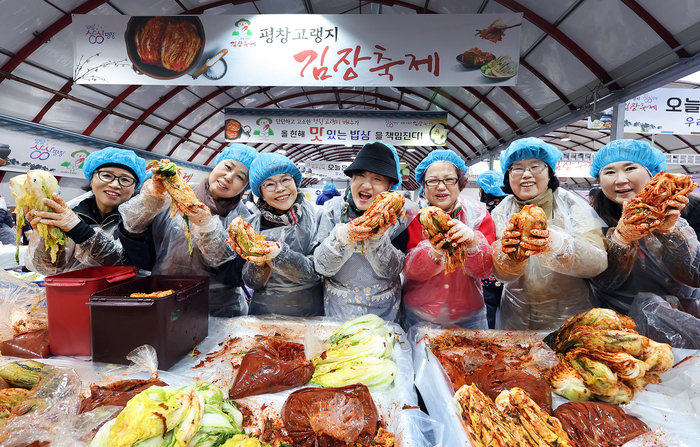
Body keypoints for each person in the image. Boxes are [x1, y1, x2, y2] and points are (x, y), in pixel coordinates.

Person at [119, 144, 258, 317]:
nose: (229, 177)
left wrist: (209, 231)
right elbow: (140, 255)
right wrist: (145, 208)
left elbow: (237, 275)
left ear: (245, 187)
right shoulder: (172, 195)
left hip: (218, 310)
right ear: (216, 164)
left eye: (240, 177)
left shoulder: (245, 220)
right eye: (227, 167)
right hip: (165, 301)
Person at [491, 137, 608, 330]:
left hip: (569, 316)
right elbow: (501, 275)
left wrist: (559, 244)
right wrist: (510, 257)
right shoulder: (500, 212)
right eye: (517, 168)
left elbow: (598, 263)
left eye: (536, 166)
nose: (526, 174)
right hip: (516, 316)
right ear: (508, 175)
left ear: (549, 172)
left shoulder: (572, 205)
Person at [588, 139, 700, 314]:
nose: (620, 180)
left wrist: (671, 234)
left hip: (682, 316)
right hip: (615, 322)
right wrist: (620, 240)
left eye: (630, 168)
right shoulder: (592, 219)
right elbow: (602, 280)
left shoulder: (690, 210)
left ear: (652, 173)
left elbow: (696, 275)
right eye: (609, 172)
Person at [314, 141, 418, 322]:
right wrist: (341, 238)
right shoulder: (333, 210)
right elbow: (321, 267)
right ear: (351, 180)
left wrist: (378, 240)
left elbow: (394, 270)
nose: (367, 185)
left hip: (383, 311)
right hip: (338, 308)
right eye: (360, 176)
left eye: (377, 179)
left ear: (389, 187)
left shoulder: (399, 218)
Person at [402, 150, 494, 329]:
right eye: (433, 180)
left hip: (468, 316)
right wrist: (434, 253)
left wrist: (473, 244)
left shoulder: (478, 214)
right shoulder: (413, 216)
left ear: (460, 183)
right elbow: (410, 270)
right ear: (424, 186)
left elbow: (486, 270)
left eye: (449, 179)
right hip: (420, 316)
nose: (441, 187)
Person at [24, 147, 147, 275]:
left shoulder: (141, 221)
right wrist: (48, 236)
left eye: (125, 179)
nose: (115, 185)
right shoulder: (69, 214)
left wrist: (77, 229)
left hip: (124, 292)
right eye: (106, 175)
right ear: (91, 180)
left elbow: (127, 263)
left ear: (134, 188)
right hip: (73, 291)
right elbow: (47, 269)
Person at [241, 153, 333, 316]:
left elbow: (319, 270)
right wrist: (259, 262)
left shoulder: (316, 216)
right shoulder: (250, 225)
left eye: (285, 180)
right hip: (264, 314)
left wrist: (279, 254)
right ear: (260, 193)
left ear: (295, 181)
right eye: (269, 184)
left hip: (309, 312)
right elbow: (251, 282)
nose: (280, 188)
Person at [477, 169, 508, 329]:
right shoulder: (508, 209)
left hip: (487, 277)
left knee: (488, 319)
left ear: (483, 190)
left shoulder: (481, 211)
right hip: (507, 276)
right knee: (507, 321)